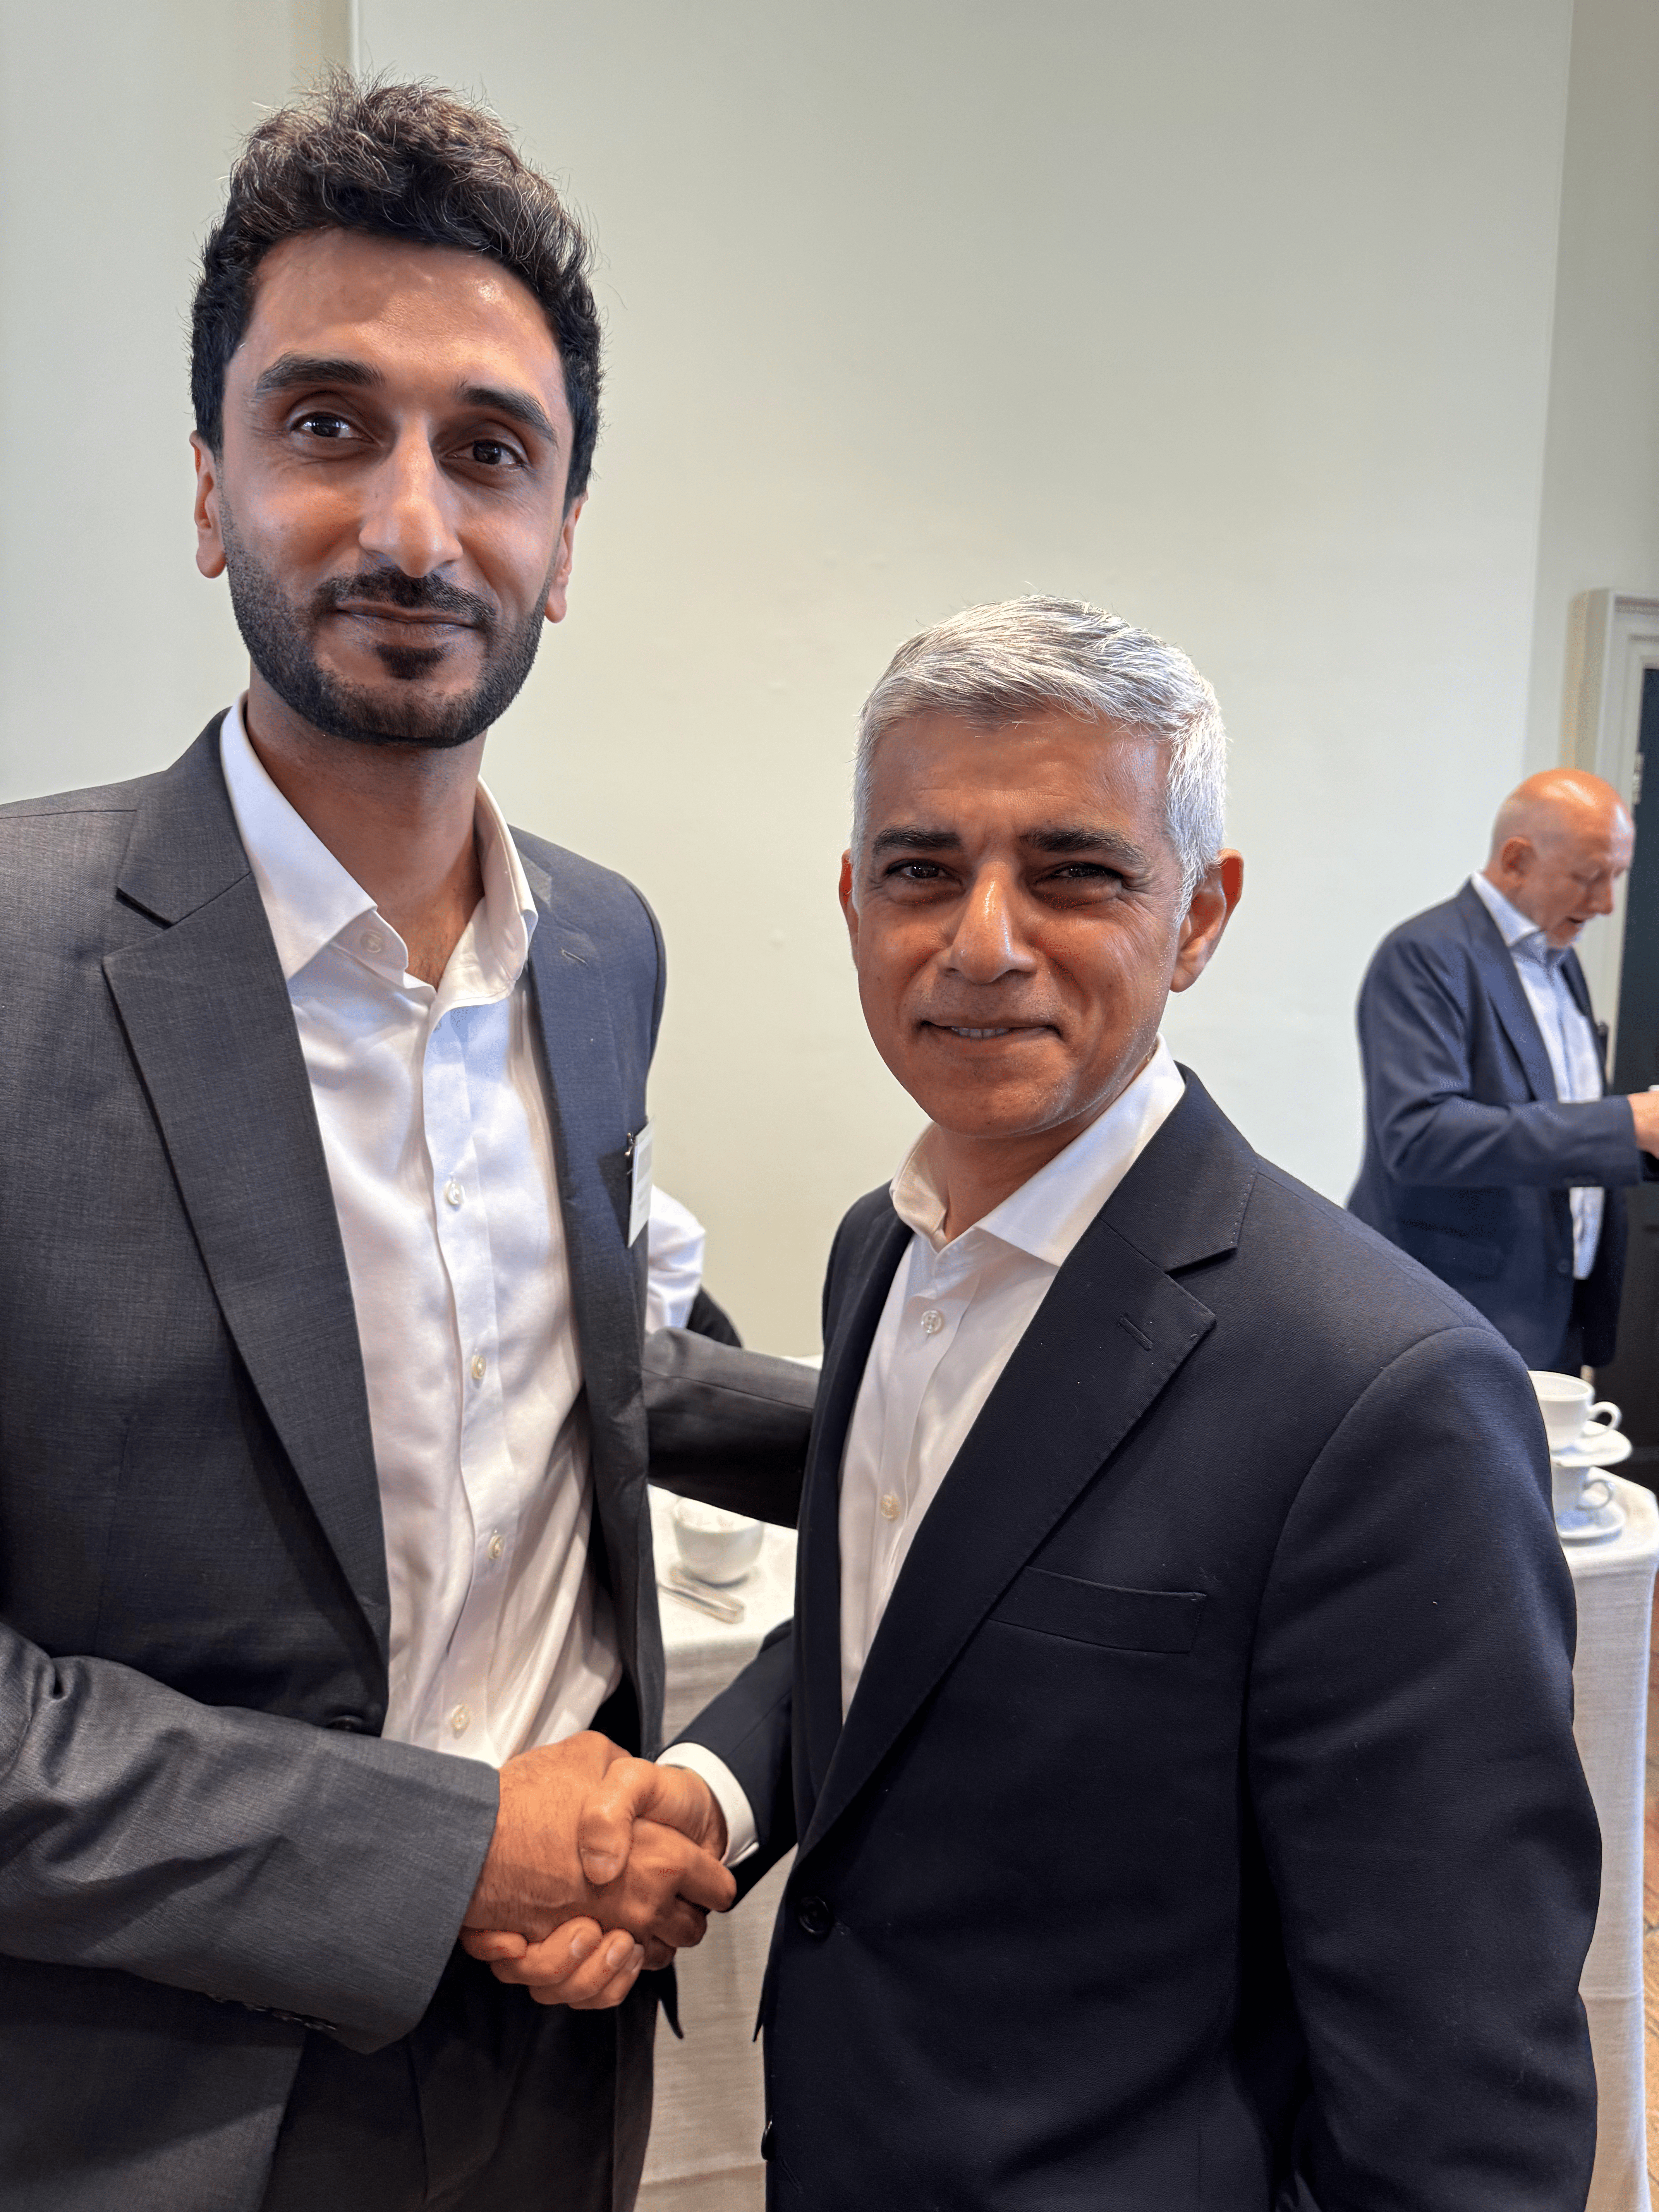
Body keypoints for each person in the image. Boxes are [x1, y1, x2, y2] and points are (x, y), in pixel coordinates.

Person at [471, 598, 1600, 2209]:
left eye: (1075, 873)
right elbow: (907, 1632)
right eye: (922, 870)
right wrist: (707, 1795)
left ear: (1199, 917)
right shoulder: (884, 1251)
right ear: (854, 903)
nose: (984, 941)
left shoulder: (1380, 1393)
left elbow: (1464, 2107)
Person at [0, 79, 811, 2212]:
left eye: (491, 452)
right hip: (152, 2099)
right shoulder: (14, 959)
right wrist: (442, 1851)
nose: (415, 531)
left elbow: (571, 1377)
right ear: (209, 488)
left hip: (559, 2051)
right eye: (327, 426)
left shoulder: (603, 951)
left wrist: (961, 1400)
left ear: (568, 536)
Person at [1348, 769, 1659, 1371]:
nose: (1606, 904)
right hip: (1455, 1314)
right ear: (1517, 860)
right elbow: (1420, 1136)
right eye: (1589, 877)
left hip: (1558, 1306)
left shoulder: (1560, 957)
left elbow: (1555, 1108)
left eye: (1616, 877)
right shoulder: (1424, 955)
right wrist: (1628, 1124)